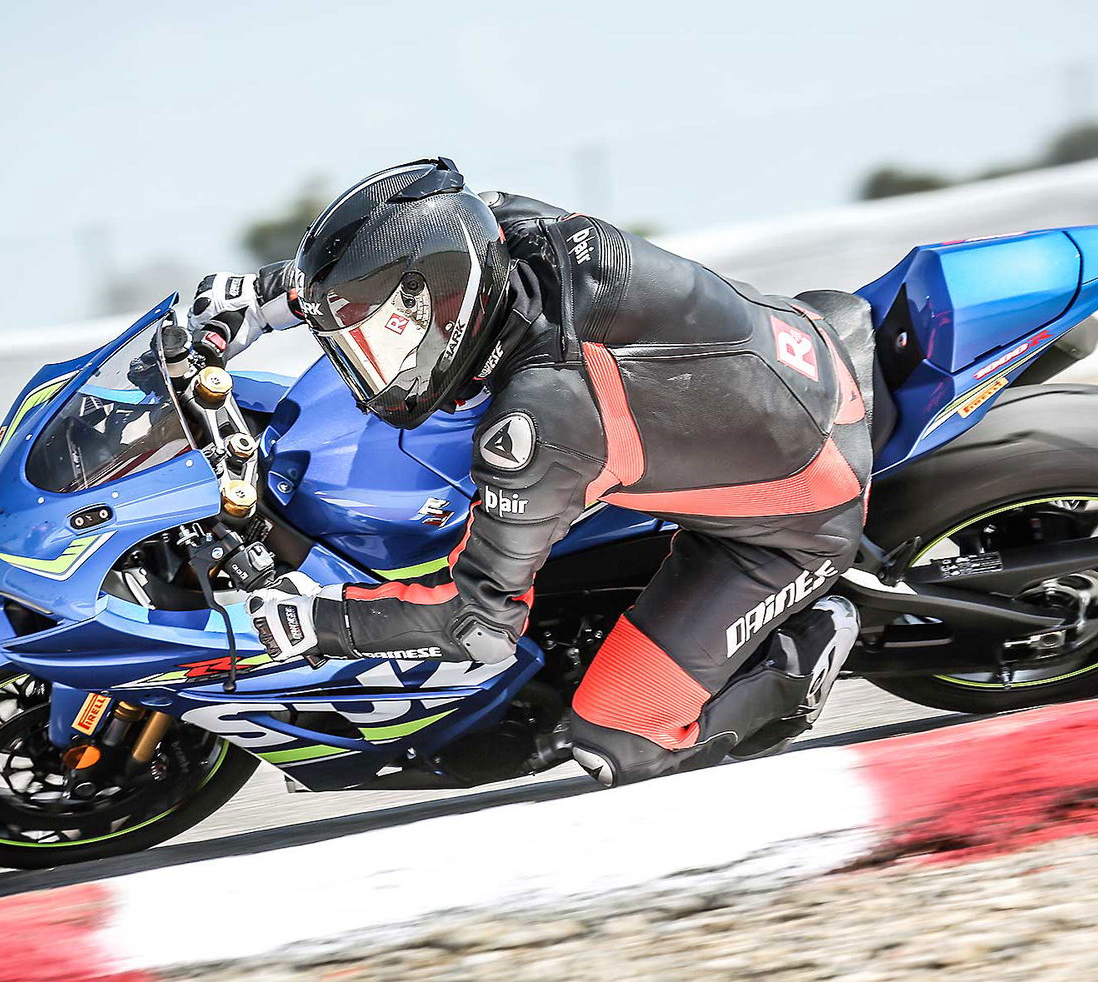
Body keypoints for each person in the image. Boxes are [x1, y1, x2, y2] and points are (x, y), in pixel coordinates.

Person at [192, 157, 873, 786]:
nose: (370, 364)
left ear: (448, 303)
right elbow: (411, 240)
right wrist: (266, 296)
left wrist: (317, 621)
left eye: (385, 336)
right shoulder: (511, 232)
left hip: (799, 514)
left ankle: (798, 659)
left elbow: (480, 626)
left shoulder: (545, 417)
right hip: (786, 350)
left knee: (617, 742)